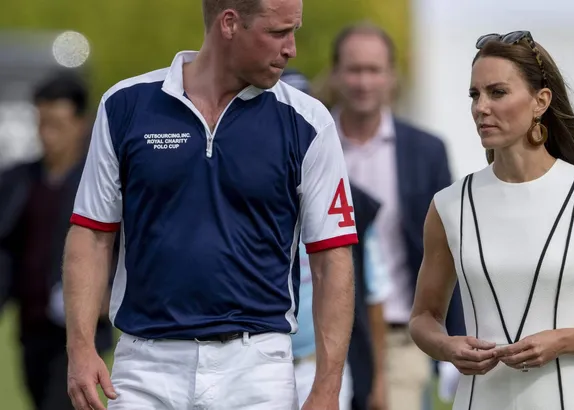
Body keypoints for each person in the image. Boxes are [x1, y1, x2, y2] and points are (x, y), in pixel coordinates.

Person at [62, 1, 358, 409]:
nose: (291, 49)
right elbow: (92, 234)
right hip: (145, 367)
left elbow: (332, 260)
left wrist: (327, 388)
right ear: (230, 23)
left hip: (258, 368)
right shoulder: (125, 106)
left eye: (295, 32)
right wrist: (79, 348)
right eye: (277, 33)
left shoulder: (309, 122)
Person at [408, 30, 574, 410]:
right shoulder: (449, 205)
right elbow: (424, 317)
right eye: (475, 95)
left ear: (541, 101)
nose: (481, 107)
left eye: (497, 92)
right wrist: (446, 346)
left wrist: (562, 340)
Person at [326, 22, 466, 410]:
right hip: (323, 340)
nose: (363, 82)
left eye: (374, 70)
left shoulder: (427, 152)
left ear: (391, 77)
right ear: (335, 74)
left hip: (402, 338)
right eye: (354, 70)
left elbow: (448, 250)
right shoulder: (310, 143)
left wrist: (455, 335)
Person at [0, 72, 115, 410]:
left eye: (57, 124)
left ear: (80, 124)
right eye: (42, 123)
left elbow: (125, 247)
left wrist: (108, 295)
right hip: (30, 326)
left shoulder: (102, 184)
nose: (46, 134)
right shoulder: (19, 181)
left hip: (79, 330)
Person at [280, 67, 392, 410]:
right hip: (258, 365)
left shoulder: (350, 200)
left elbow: (374, 294)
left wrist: (380, 377)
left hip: (319, 367)